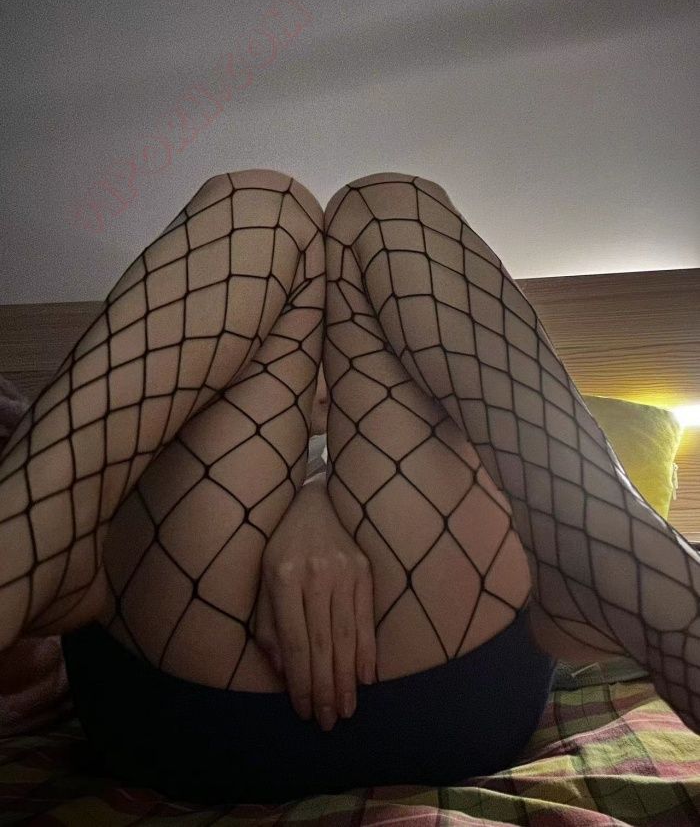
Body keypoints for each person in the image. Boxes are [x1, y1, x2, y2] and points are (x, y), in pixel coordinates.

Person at [0, 169, 698, 805]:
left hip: (186, 698)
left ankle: (28, 537)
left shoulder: (408, 422)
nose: (326, 366)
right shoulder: (201, 422)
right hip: (435, 691)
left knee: (351, 205)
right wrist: (305, 497)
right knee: (296, 206)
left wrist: (323, 497)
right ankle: (612, 550)